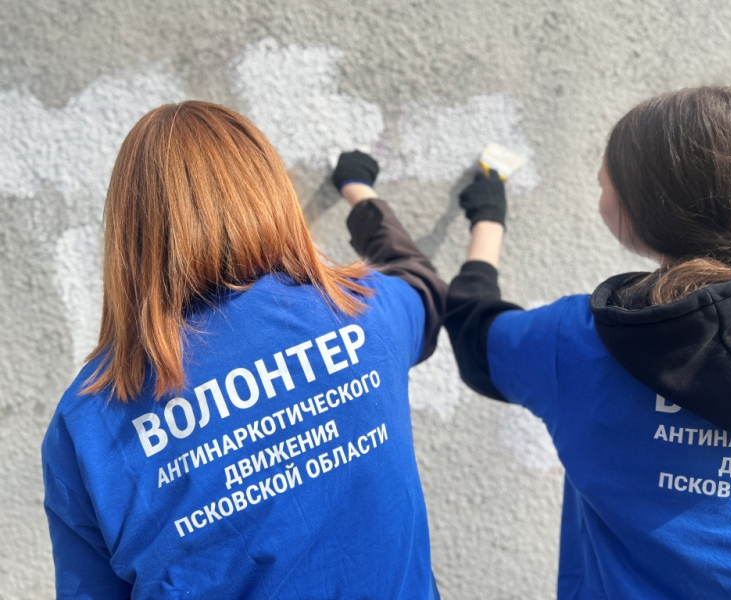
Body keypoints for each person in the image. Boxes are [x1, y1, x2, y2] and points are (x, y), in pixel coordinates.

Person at [41, 101, 446, 599]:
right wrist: (359, 190)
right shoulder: (366, 310)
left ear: (130, 233)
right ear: (269, 192)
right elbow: (425, 285)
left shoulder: (87, 423)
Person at [445, 87, 731, 598]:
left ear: (639, 210)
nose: (600, 188)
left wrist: (487, 219)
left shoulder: (578, 341)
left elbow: (474, 334)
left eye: (605, 183)